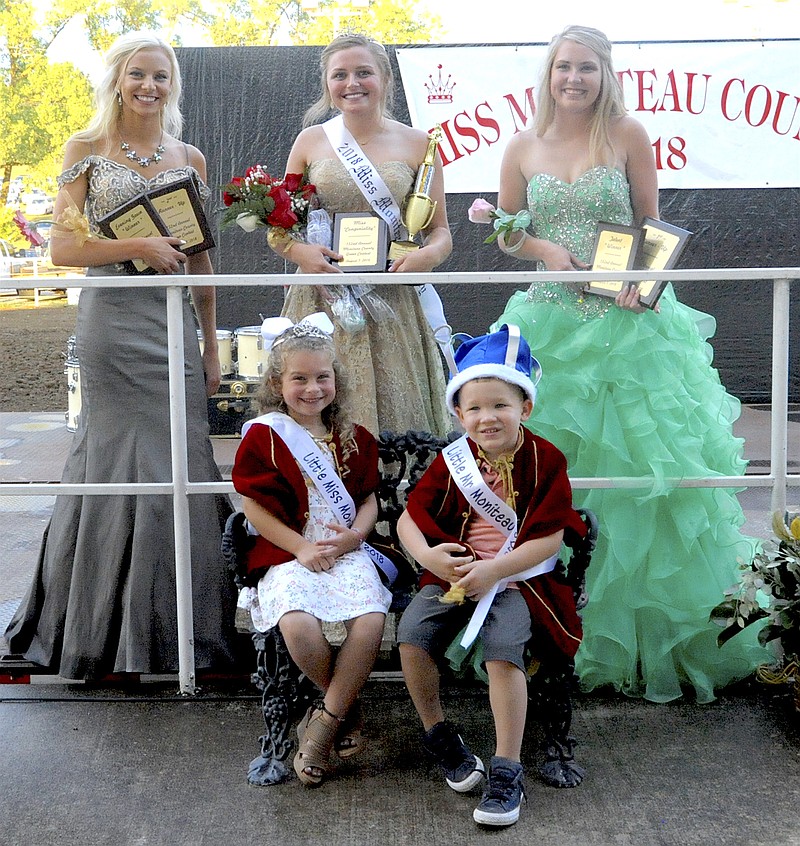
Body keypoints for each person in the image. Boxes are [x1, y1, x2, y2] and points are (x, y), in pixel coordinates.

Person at [490, 25, 769, 703]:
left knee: (644, 481)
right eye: (563, 67)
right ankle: (544, 634)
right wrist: (546, 252)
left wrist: (641, 286)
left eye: (586, 68)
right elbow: (505, 229)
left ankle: (640, 645)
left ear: (605, 72)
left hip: (629, 326)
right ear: (548, 73)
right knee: (548, 471)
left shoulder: (627, 136)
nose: (574, 79)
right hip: (552, 322)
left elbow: (651, 223)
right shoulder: (522, 145)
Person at [3, 32, 239, 678]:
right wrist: (137, 247)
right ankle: (100, 631)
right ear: (117, 80)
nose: (149, 86)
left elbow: (200, 259)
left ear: (173, 85)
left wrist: (210, 343)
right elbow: (64, 250)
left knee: (180, 457)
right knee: (113, 457)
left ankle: (181, 632)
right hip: (113, 322)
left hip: (172, 326)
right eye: (138, 74)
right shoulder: (85, 150)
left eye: (160, 76)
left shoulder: (187, 155)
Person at [396, 324, 586, 827]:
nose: (487, 417)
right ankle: (441, 736)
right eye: (474, 408)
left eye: (500, 405)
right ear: (458, 414)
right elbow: (408, 519)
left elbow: (549, 539)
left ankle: (507, 769)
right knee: (412, 636)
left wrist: (494, 571)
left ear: (525, 407)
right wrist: (431, 559)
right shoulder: (454, 460)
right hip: (453, 575)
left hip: (519, 580)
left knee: (504, 649)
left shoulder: (546, 459)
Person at [231, 314, 392, 786]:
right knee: (297, 624)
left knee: (369, 622)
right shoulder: (264, 437)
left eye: (323, 377)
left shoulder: (354, 438)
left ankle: (320, 727)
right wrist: (300, 547)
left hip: (347, 551)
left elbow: (367, 500)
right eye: (299, 378)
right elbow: (254, 508)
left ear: (336, 382)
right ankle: (345, 709)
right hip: (289, 552)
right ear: (277, 383)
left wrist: (356, 536)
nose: (312, 388)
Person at [269, 33, 453, 437]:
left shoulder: (419, 144)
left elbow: (441, 233)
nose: (352, 83)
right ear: (328, 85)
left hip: (391, 299)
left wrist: (424, 258)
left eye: (363, 72)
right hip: (322, 297)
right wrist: (301, 253)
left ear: (385, 79)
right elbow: (279, 228)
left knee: (396, 415)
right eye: (340, 75)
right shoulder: (311, 141)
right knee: (315, 411)